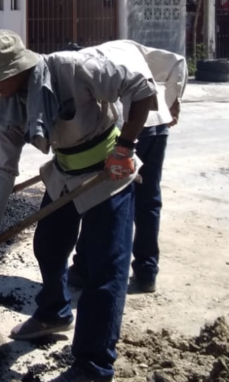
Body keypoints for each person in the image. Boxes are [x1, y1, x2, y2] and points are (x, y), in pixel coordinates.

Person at [0, 30, 158, 382]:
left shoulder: (73, 69)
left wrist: (127, 146)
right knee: (49, 246)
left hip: (108, 170)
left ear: (17, 70)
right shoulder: (10, 107)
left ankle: (94, 366)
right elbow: (3, 170)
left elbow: (142, 89)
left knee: (105, 268)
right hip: (66, 172)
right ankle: (54, 312)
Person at [67, 40, 186, 293]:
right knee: (148, 201)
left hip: (128, 129)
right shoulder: (127, 46)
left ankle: (83, 267)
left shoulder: (84, 67)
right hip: (157, 125)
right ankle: (146, 272)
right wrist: (174, 101)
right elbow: (178, 62)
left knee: (101, 197)